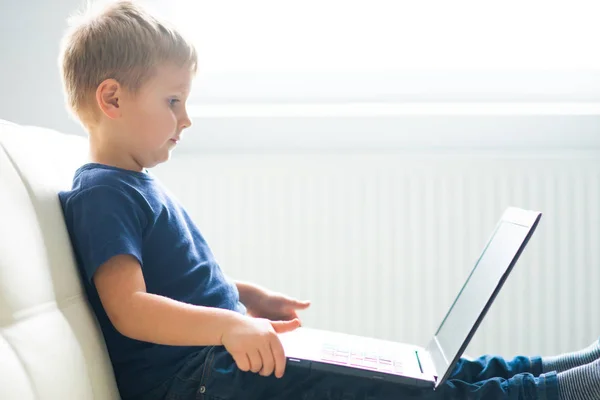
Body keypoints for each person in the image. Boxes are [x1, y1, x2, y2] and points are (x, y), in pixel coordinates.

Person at [57, 1, 599, 399]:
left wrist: (243, 296)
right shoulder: (103, 192)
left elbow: (170, 281)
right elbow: (128, 308)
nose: (186, 118)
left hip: (217, 364)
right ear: (112, 98)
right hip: (198, 382)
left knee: (401, 370)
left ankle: (546, 373)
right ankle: (557, 391)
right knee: (384, 390)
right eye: (173, 100)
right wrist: (229, 325)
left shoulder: (130, 186)